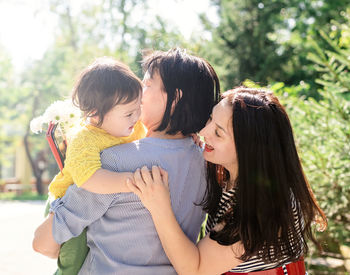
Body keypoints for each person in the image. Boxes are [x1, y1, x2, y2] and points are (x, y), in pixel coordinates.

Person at [33, 48, 220, 275]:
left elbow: (43, 243)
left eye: (148, 85)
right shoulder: (209, 166)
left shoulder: (114, 162)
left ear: (175, 98)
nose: (139, 92)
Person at [127, 87, 327, 275]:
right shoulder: (237, 177)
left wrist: (159, 206)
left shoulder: (262, 208)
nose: (204, 132)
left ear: (248, 149)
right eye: (210, 120)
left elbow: (194, 270)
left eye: (218, 132)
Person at [41, 57, 147, 274]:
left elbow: (152, 137)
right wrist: (133, 181)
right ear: (95, 114)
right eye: (129, 113)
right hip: (63, 203)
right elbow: (90, 179)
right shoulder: (85, 139)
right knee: (74, 257)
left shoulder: (131, 126)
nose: (137, 117)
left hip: (92, 205)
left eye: (139, 108)